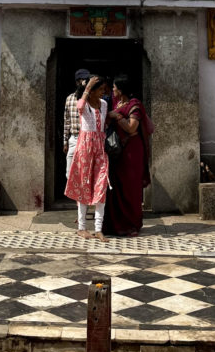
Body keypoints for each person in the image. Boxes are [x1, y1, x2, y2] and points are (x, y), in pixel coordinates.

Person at [102, 75, 153, 238]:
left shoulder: (134, 105)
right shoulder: (117, 104)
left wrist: (117, 116)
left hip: (132, 151)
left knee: (130, 187)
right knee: (116, 187)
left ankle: (131, 225)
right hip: (118, 153)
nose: (113, 90)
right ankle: (116, 225)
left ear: (121, 90)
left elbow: (132, 128)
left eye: (115, 87)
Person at [65, 76, 109, 241]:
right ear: (91, 91)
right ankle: (82, 227)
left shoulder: (104, 105)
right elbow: (80, 106)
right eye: (100, 89)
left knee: (101, 187)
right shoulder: (84, 103)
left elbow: (103, 123)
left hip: (99, 149)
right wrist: (88, 87)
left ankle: (98, 229)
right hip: (84, 149)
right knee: (83, 187)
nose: (103, 93)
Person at [63, 68, 90, 180]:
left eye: (86, 80)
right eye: (82, 80)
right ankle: (77, 198)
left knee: (86, 173)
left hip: (88, 139)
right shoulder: (69, 99)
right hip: (74, 138)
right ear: (77, 82)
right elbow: (67, 121)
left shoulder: (92, 98)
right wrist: (65, 141)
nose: (84, 82)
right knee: (70, 175)